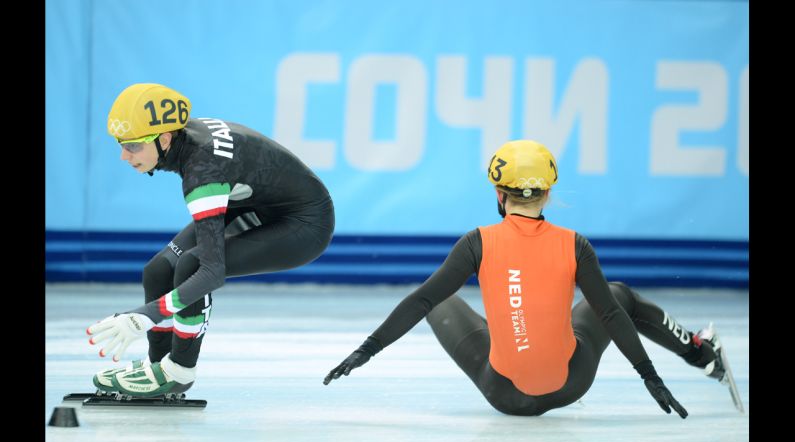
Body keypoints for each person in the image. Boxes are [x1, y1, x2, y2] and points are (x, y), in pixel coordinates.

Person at [324, 140, 736, 417]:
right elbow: (610, 314)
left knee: (440, 299)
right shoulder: (576, 245)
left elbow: (420, 302)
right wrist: (650, 375)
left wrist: (368, 349)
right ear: (548, 193)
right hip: (570, 383)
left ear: (499, 193)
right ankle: (701, 354)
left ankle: (505, 337)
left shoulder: (476, 243)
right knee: (618, 294)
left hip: (503, 395)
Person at [86, 83, 335, 397]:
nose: (123, 156)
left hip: (303, 224)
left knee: (194, 264)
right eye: (121, 144)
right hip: (255, 200)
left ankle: (179, 371)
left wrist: (146, 316)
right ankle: (159, 365)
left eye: (133, 146)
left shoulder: (202, 171)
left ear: (164, 139)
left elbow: (212, 273)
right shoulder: (182, 136)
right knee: (158, 270)